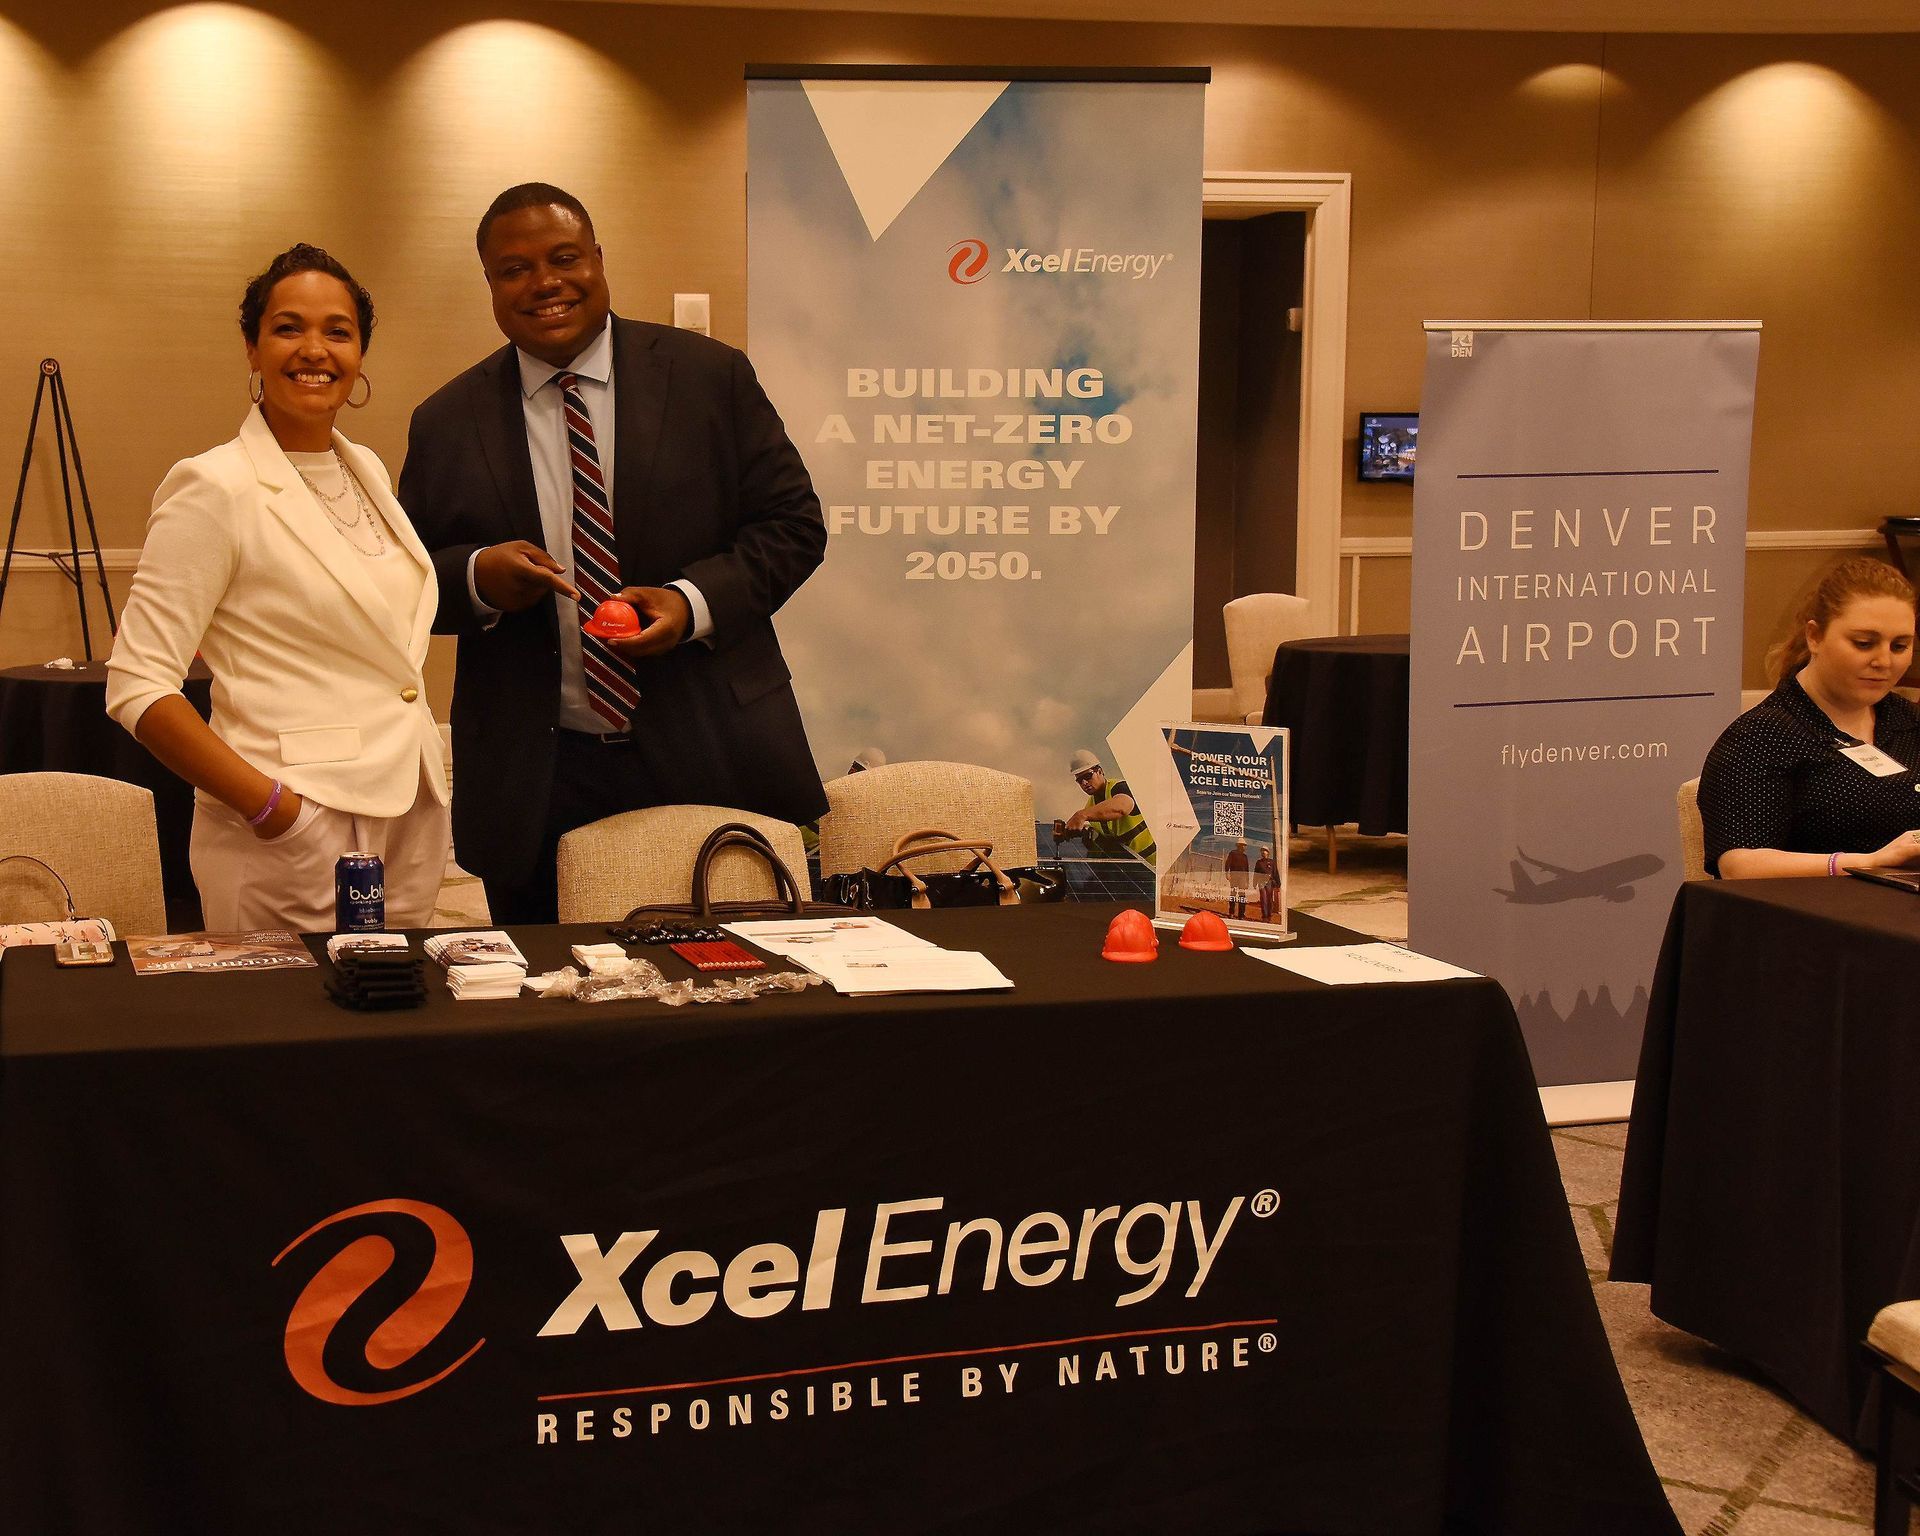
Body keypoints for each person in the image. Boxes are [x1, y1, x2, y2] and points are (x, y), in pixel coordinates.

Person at [399, 183, 828, 923]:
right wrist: (477, 578)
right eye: (515, 269)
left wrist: (691, 604)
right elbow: (403, 581)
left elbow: (793, 525)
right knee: (550, 988)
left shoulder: (710, 377)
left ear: (598, 260)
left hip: (713, 748)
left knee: (741, 978)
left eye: (564, 258)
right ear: (491, 285)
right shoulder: (446, 420)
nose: (545, 283)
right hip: (536, 778)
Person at [105, 245, 449, 929]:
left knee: (398, 1000)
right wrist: (275, 810)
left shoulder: (366, 470)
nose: (314, 350)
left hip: (408, 815)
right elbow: (138, 685)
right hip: (291, 830)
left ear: (360, 353)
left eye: (337, 331)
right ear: (253, 348)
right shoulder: (215, 486)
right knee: (291, 1002)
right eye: (289, 328)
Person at [1699, 555, 1920, 878]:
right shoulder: (1760, 737)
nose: (1883, 661)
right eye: (1863, 644)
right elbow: (1738, 866)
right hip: (1811, 907)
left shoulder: (1909, 721)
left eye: (1899, 646)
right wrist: (1868, 862)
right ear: (1814, 637)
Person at [1051, 748, 1156, 865]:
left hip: (1155, 865)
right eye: (1080, 780)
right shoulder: (1091, 806)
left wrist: (1081, 815)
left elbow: (1122, 806)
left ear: (1100, 771)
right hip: (1133, 866)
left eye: (1088, 776)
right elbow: (1105, 835)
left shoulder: (1120, 787)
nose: (1084, 783)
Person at [1224, 838, 1251, 918]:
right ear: (1239, 845)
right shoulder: (1233, 853)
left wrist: (1247, 881)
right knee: (1233, 894)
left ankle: (1241, 914)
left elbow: (1247, 870)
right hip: (1234, 876)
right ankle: (1231, 912)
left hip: (1242, 878)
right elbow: (1227, 863)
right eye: (1244, 845)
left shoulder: (1245, 856)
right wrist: (1227, 873)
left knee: (1242, 895)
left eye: (1245, 845)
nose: (1245, 847)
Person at [1254, 844, 1279, 923]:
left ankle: (1269, 916)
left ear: (1268, 852)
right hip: (1261, 882)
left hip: (1269, 883)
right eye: (1262, 851)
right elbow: (1256, 873)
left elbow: (1275, 873)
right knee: (1263, 899)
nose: (1263, 852)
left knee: (1269, 900)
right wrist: (1254, 883)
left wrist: (1278, 884)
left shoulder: (1272, 862)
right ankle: (1264, 916)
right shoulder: (1259, 862)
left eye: (1265, 851)